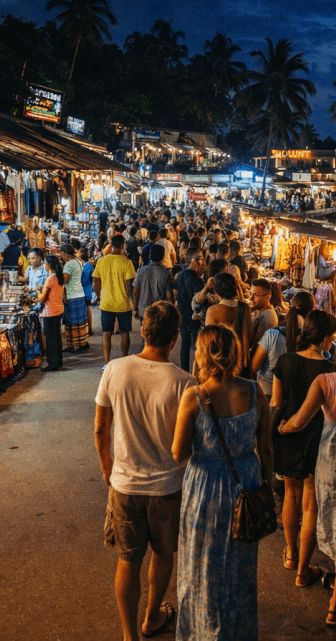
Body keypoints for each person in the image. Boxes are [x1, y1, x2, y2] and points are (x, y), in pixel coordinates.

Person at [94, 302, 194, 641]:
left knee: (128, 559)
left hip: (125, 486)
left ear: (144, 332)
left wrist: (107, 468)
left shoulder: (115, 369)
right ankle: (151, 618)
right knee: (164, 554)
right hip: (167, 486)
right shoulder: (184, 383)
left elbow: (100, 428)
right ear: (174, 338)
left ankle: (129, 635)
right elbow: (188, 442)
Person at [172, 325, 273, 641]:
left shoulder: (195, 397)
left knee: (202, 563)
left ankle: (203, 631)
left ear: (203, 355)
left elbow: (178, 452)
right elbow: (266, 448)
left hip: (205, 487)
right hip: (246, 484)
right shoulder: (255, 392)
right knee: (239, 566)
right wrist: (267, 486)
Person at [279, 328, 336, 626]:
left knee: (326, 511)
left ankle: (322, 586)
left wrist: (282, 428)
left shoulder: (325, 381)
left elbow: (300, 420)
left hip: (330, 457)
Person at [271, 310, 336, 588]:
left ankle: (291, 554)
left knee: (290, 494)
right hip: (317, 438)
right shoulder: (331, 369)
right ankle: (302, 572)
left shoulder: (285, 361)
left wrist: (277, 430)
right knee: (310, 505)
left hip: (287, 432)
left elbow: (276, 403)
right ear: (325, 337)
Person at [251, 291, 313, 398]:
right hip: (294, 398)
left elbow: (255, 366)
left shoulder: (272, 335)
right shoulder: (310, 339)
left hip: (267, 393)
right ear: (311, 311)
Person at [94, 234, 137, 366]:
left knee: (106, 333)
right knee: (125, 332)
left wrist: (99, 295)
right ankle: (124, 360)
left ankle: (107, 362)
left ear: (111, 245)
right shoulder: (127, 262)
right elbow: (130, 284)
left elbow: (96, 282)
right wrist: (132, 300)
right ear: (123, 246)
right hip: (123, 303)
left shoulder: (101, 261)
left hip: (106, 303)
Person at [204, 273, 253, 375]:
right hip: (242, 363)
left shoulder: (213, 310)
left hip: (222, 365)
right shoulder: (245, 308)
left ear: (216, 291)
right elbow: (249, 334)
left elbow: (208, 341)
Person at [174, 247, 207, 373]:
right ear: (194, 260)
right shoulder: (196, 280)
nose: (203, 262)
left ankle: (184, 371)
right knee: (196, 347)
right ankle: (196, 373)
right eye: (201, 259)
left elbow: (176, 293)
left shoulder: (180, 275)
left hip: (182, 315)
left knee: (185, 345)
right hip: (194, 318)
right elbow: (199, 301)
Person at [36, 254, 67, 371]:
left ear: (49, 265)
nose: (44, 265)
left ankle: (52, 364)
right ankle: (58, 361)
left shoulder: (50, 279)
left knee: (50, 339)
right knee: (56, 337)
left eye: (45, 263)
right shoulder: (59, 277)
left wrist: (38, 291)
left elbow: (42, 298)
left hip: (50, 312)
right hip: (58, 309)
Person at [132, 244, 175, 320]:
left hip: (143, 311)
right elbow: (169, 296)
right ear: (163, 256)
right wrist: (172, 310)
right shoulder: (166, 273)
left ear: (150, 256)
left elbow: (135, 292)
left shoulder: (140, 271)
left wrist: (135, 308)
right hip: (159, 311)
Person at [60, 244, 90, 352]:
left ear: (64, 252)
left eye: (61, 253)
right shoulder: (78, 261)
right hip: (80, 293)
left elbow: (65, 280)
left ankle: (72, 345)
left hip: (71, 295)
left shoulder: (69, 264)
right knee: (81, 322)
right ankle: (83, 342)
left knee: (71, 322)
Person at [248, 278, 277, 347]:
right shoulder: (258, 310)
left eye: (255, 295)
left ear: (268, 297)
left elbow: (258, 346)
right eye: (250, 294)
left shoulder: (267, 316)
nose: (250, 298)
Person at [80, 247, 96, 335]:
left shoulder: (83, 266)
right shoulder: (89, 265)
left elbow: (84, 280)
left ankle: (87, 329)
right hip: (88, 291)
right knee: (87, 309)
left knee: (84, 310)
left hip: (83, 291)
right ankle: (89, 328)